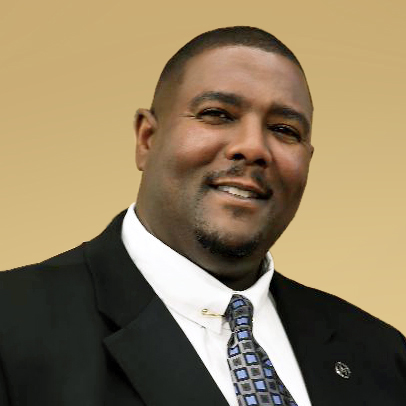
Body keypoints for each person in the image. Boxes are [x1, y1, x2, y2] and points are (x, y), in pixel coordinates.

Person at [0, 26, 405, 406]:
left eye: (284, 129)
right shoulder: (12, 324)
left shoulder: (382, 354)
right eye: (218, 114)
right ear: (147, 138)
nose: (253, 147)